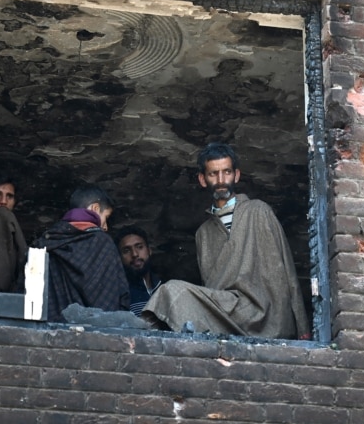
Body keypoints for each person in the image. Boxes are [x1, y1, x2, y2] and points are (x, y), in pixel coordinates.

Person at [143, 143, 310, 339]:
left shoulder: (258, 211)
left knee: (169, 291)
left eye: (227, 172)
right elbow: (210, 287)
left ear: (236, 175)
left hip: (267, 316)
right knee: (170, 292)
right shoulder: (203, 234)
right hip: (225, 315)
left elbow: (288, 271)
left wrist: (303, 327)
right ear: (202, 179)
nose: (221, 180)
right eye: (213, 174)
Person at [31, 184, 129, 321]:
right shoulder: (101, 243)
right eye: (106, 217)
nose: (106, 227)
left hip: (49, 335)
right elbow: (114, 301)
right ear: (95, 209)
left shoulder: (41, 245)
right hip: (93, 338)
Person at [114, 226, 164, 316]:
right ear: (119, 258)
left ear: (149, 250)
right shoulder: (119, 294)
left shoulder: (164, 288)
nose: (134, 254)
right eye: (126, 251)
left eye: (139, 247)